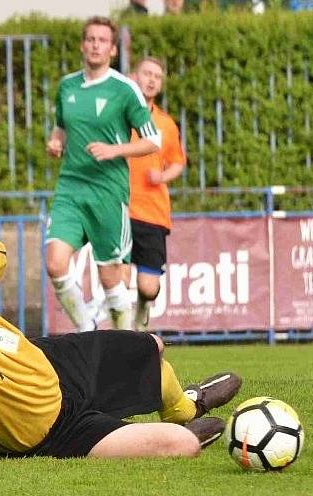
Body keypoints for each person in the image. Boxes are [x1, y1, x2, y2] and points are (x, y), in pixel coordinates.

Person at [0, 237, 243, 458]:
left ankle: (182, 407)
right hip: (52, 433)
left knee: (152, 345)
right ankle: (179, 427)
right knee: (182, 446)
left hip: (51, 362)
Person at [46, 16, 161, 332]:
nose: (96, 45)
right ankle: (87, 332)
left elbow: (154, 140)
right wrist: (57, 141)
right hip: (70, 188)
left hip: (108, 192)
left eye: (102, 41)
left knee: (110, 276)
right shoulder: (67, 86)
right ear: (83, 45)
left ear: (112, 50)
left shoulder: (125, 90)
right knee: (55, 263)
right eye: (91, 39)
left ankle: (125, 341)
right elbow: (61, 126)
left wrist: (114, 150)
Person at [124, 56, 186, 331]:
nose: (151, 80)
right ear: (134, 76)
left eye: (157, 76)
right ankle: (121, 333)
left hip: (153, 212)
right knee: (118, 276)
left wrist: (162, 176)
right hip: (121, 208)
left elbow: (178, 162)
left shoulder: (166, 124)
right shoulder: (118, 116)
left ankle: (142, 309)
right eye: (146, 73)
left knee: (148, 287)